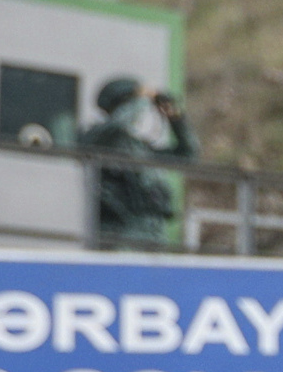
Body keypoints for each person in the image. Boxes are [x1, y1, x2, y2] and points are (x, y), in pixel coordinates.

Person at [82, 76, 197, 250]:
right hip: (119, 231)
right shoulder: (102, 136)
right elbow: (118, 125)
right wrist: (142, 97)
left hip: (153, 232)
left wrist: (175, 118)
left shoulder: (139, 148)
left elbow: (188, 155)